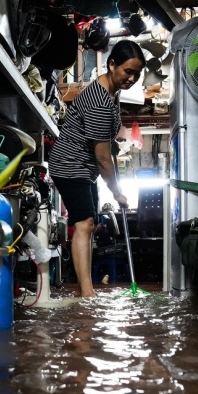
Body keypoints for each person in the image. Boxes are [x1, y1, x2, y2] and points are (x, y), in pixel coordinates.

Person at [49, 39, 145, 297]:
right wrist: (116, 193)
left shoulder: (112, 92)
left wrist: (117, 188)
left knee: (89, 225)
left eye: (137, 73)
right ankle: (87, 293)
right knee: (85, 223)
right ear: (112, 64)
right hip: (69, 164)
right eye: (128, 71)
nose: (132, 78)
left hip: (83, 166)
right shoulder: (100, 102)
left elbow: (106, 151)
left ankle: (85, 289)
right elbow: (103, 158)